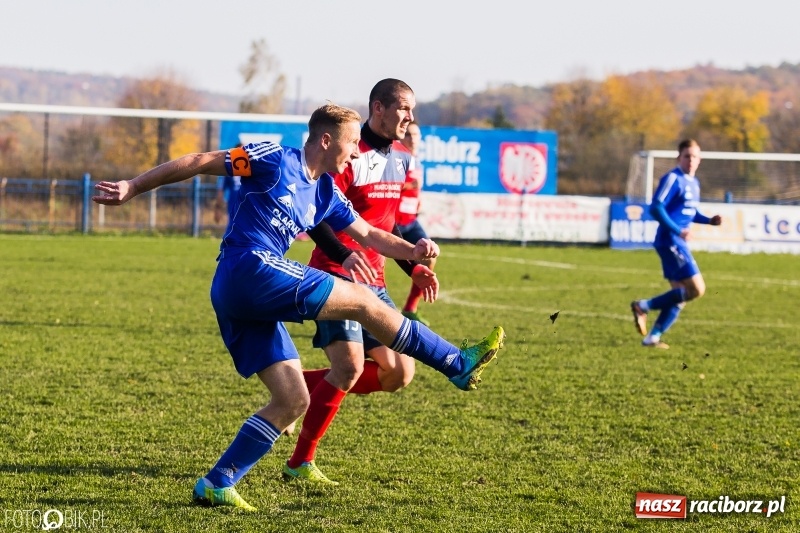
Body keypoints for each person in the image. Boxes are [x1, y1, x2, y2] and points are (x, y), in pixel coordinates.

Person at [92, 103, 505, 511]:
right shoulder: (272, 157)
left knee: (293, 399)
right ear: (326, 140)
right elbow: (200, 161)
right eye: (350, 144)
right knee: (361, 300)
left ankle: (218, 481)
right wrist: (133, 187)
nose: (356, 153)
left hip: (248, 294)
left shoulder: (326, 191)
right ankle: (454, 360)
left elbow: (371, 235)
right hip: (246, 267)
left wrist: (413, 250)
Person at [282, 80, 437, 485]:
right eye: (403, 108)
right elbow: (317, 214)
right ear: (378, 108)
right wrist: (342, 255)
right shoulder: (348, 154)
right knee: (349, 368)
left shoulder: (403, 157)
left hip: (377, 281)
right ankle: (300, 462)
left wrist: (413, 265)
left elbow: (392, 224)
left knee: (399, 373)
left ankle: (293, 389)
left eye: (412, 109)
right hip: (336, 276)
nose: (409, 117)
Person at [630, 139, 722, 348]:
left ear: (700, 159)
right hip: (670, 241)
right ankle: (643, 306)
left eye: (695, 156)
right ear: (678, 158)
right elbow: (655, 208)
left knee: (680, 296)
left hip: (675, 241)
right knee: (697, 289)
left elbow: (689, 212)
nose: (691, 160)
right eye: (687, 156)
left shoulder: (693, 183)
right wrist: (677, 230)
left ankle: (652, 337)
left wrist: (708, 220)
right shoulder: (673, 179)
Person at [396, 120, 436, 326]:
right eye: (409, 135)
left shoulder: (416, 161)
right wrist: (410, 185)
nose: (413, 139)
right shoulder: (395, 158)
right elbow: (388, 187)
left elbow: (414, 190)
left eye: (417, 135)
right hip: (392, 222)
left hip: (410, 221)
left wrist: (417, 202)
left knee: (429, 257)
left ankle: (410, 308)